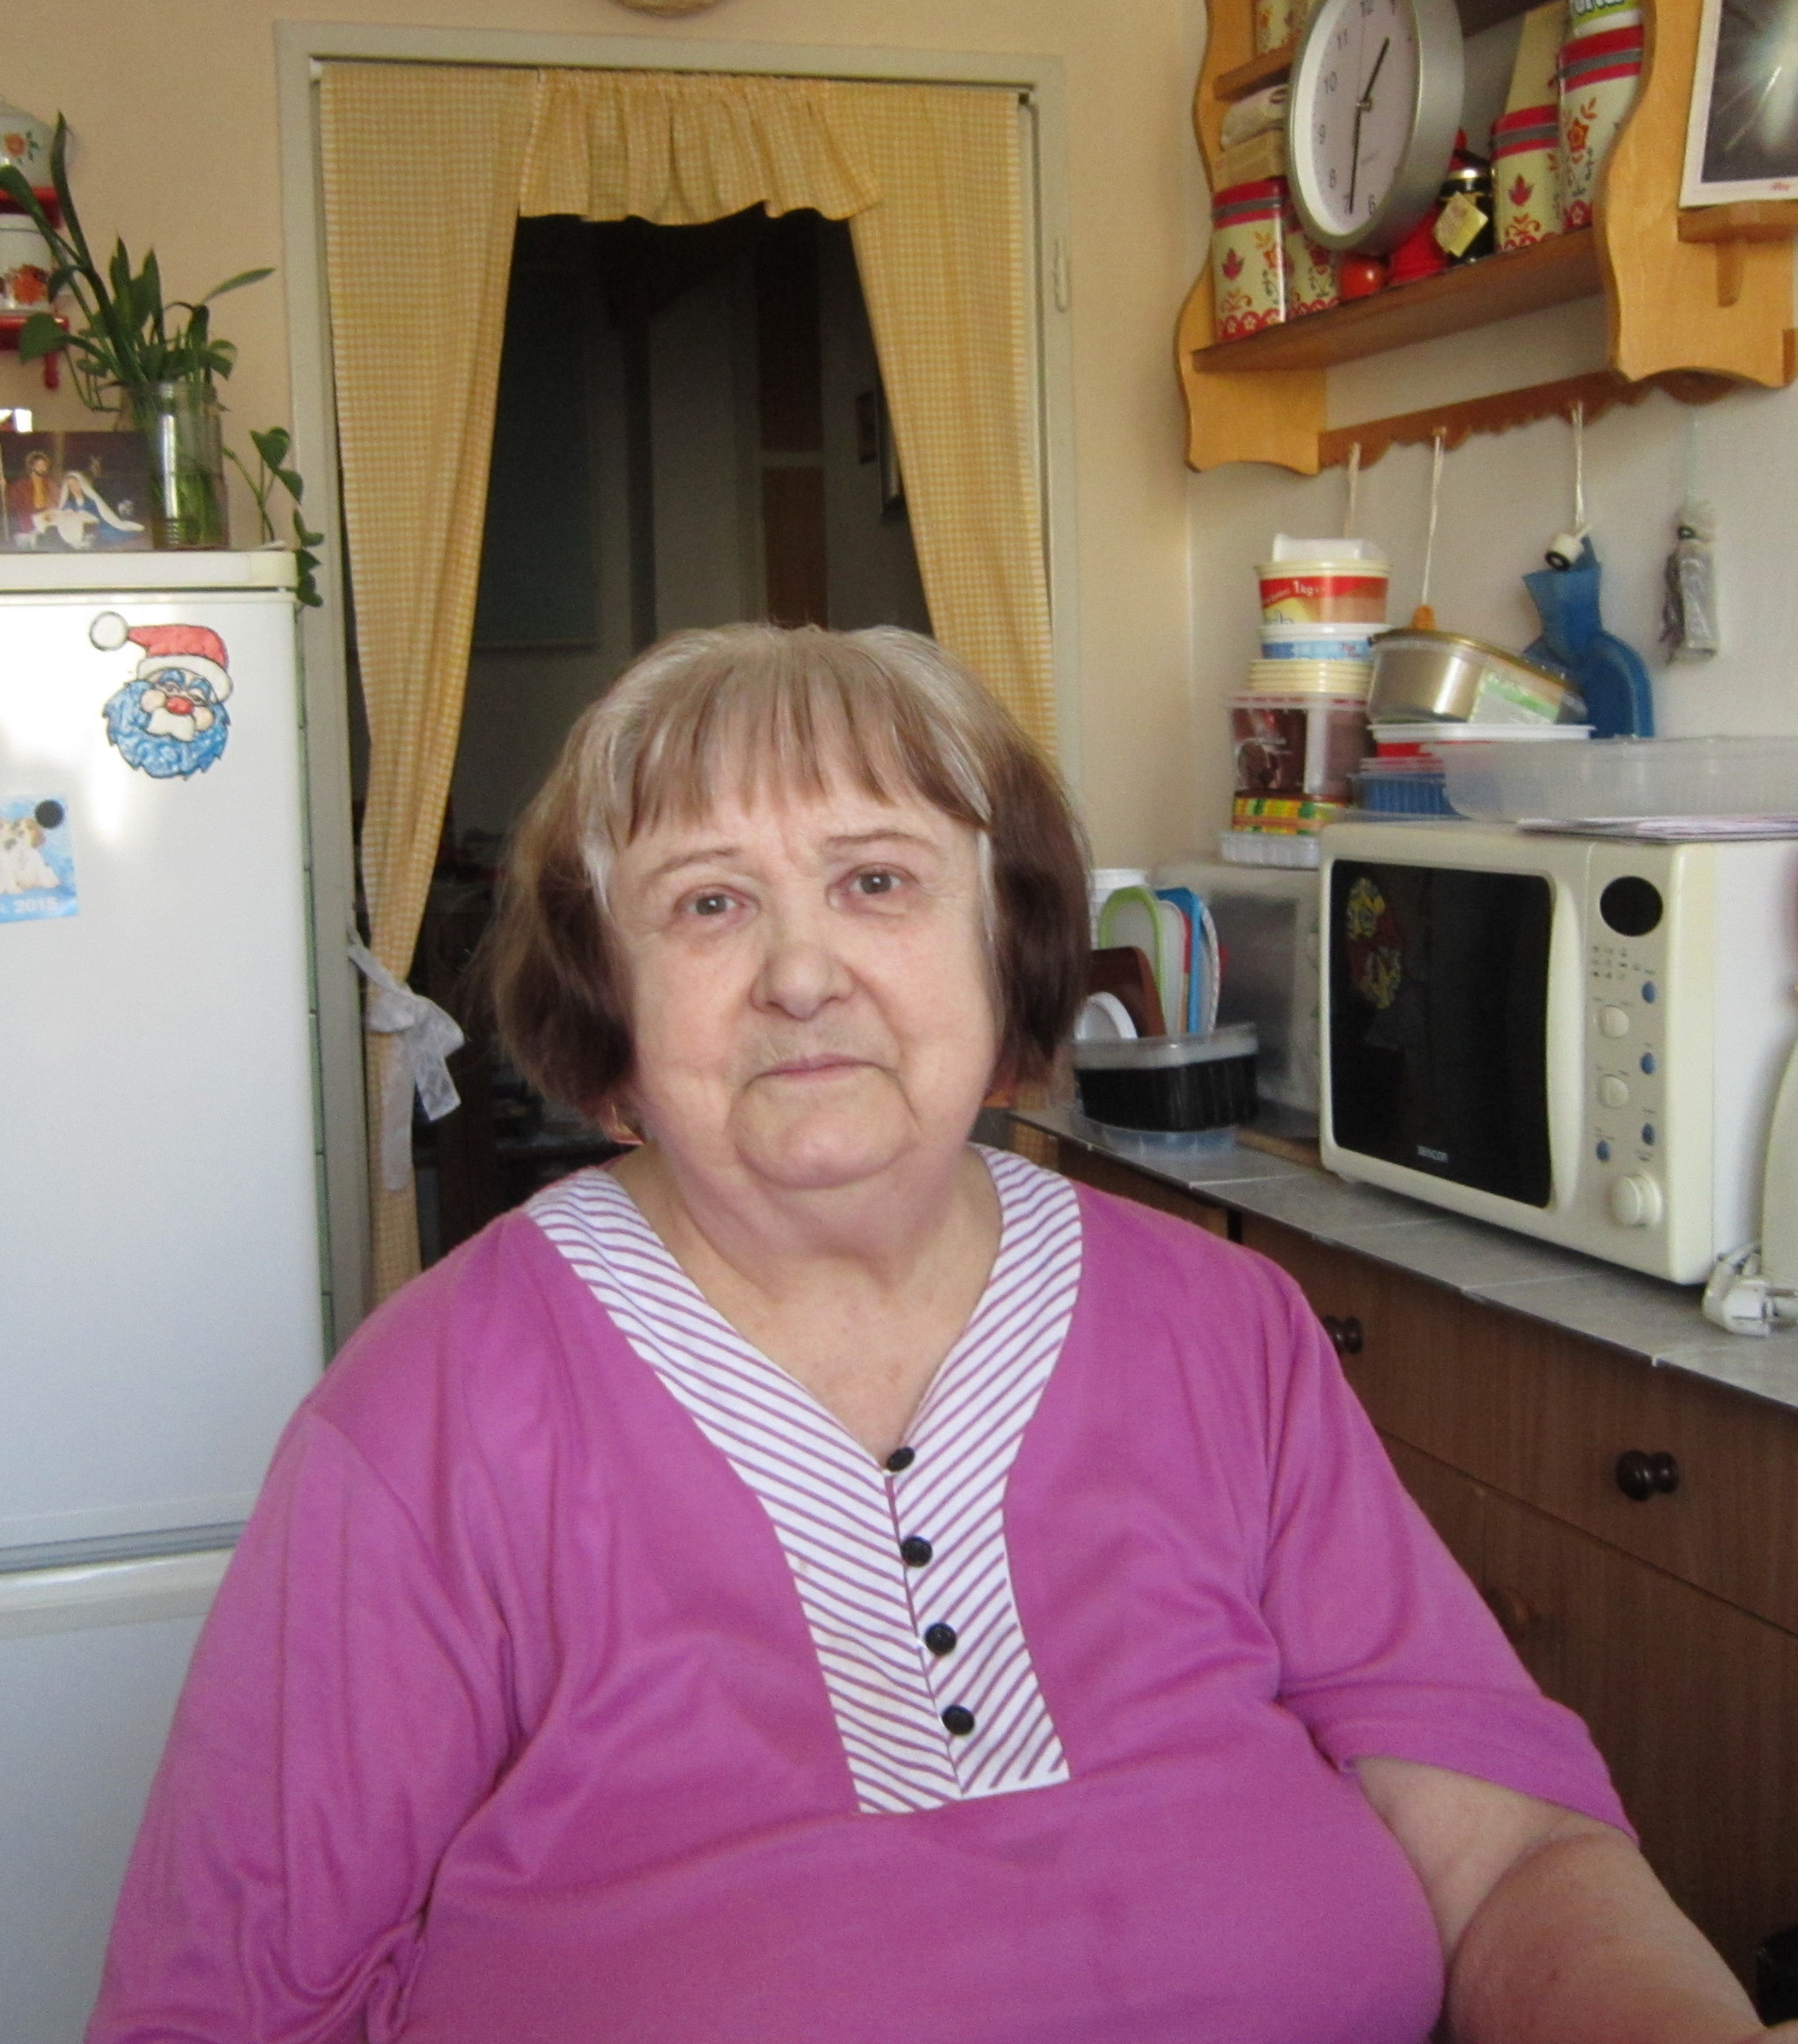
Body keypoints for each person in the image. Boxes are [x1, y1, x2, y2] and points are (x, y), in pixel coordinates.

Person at [89, 624, 1788, 2044]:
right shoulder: (431, 1413)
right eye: (706, 904)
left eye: (876, 879)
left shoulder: (1225, 1327)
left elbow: (1512, 1861)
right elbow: (223, 2011)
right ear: (608, 1008)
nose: (801, 973)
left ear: (1006, 945)